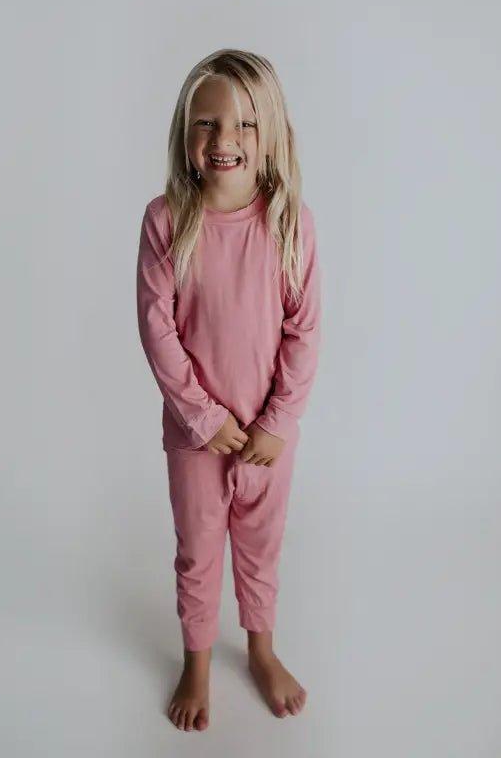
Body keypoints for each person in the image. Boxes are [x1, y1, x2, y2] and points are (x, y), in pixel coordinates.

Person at [136, 48, 322, 732]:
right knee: (198, 550)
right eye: (207, 122)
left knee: (260, 547)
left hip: (267, 439)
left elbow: (304, 330)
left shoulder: (290, 222)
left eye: (245, 123)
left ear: (270, 135)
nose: (225, 138)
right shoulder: (166, 221)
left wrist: (277, 421)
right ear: (185, 133)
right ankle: (197, 661)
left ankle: (261, 650)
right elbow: (157, 329)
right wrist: (202, 416)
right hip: (197, 439)